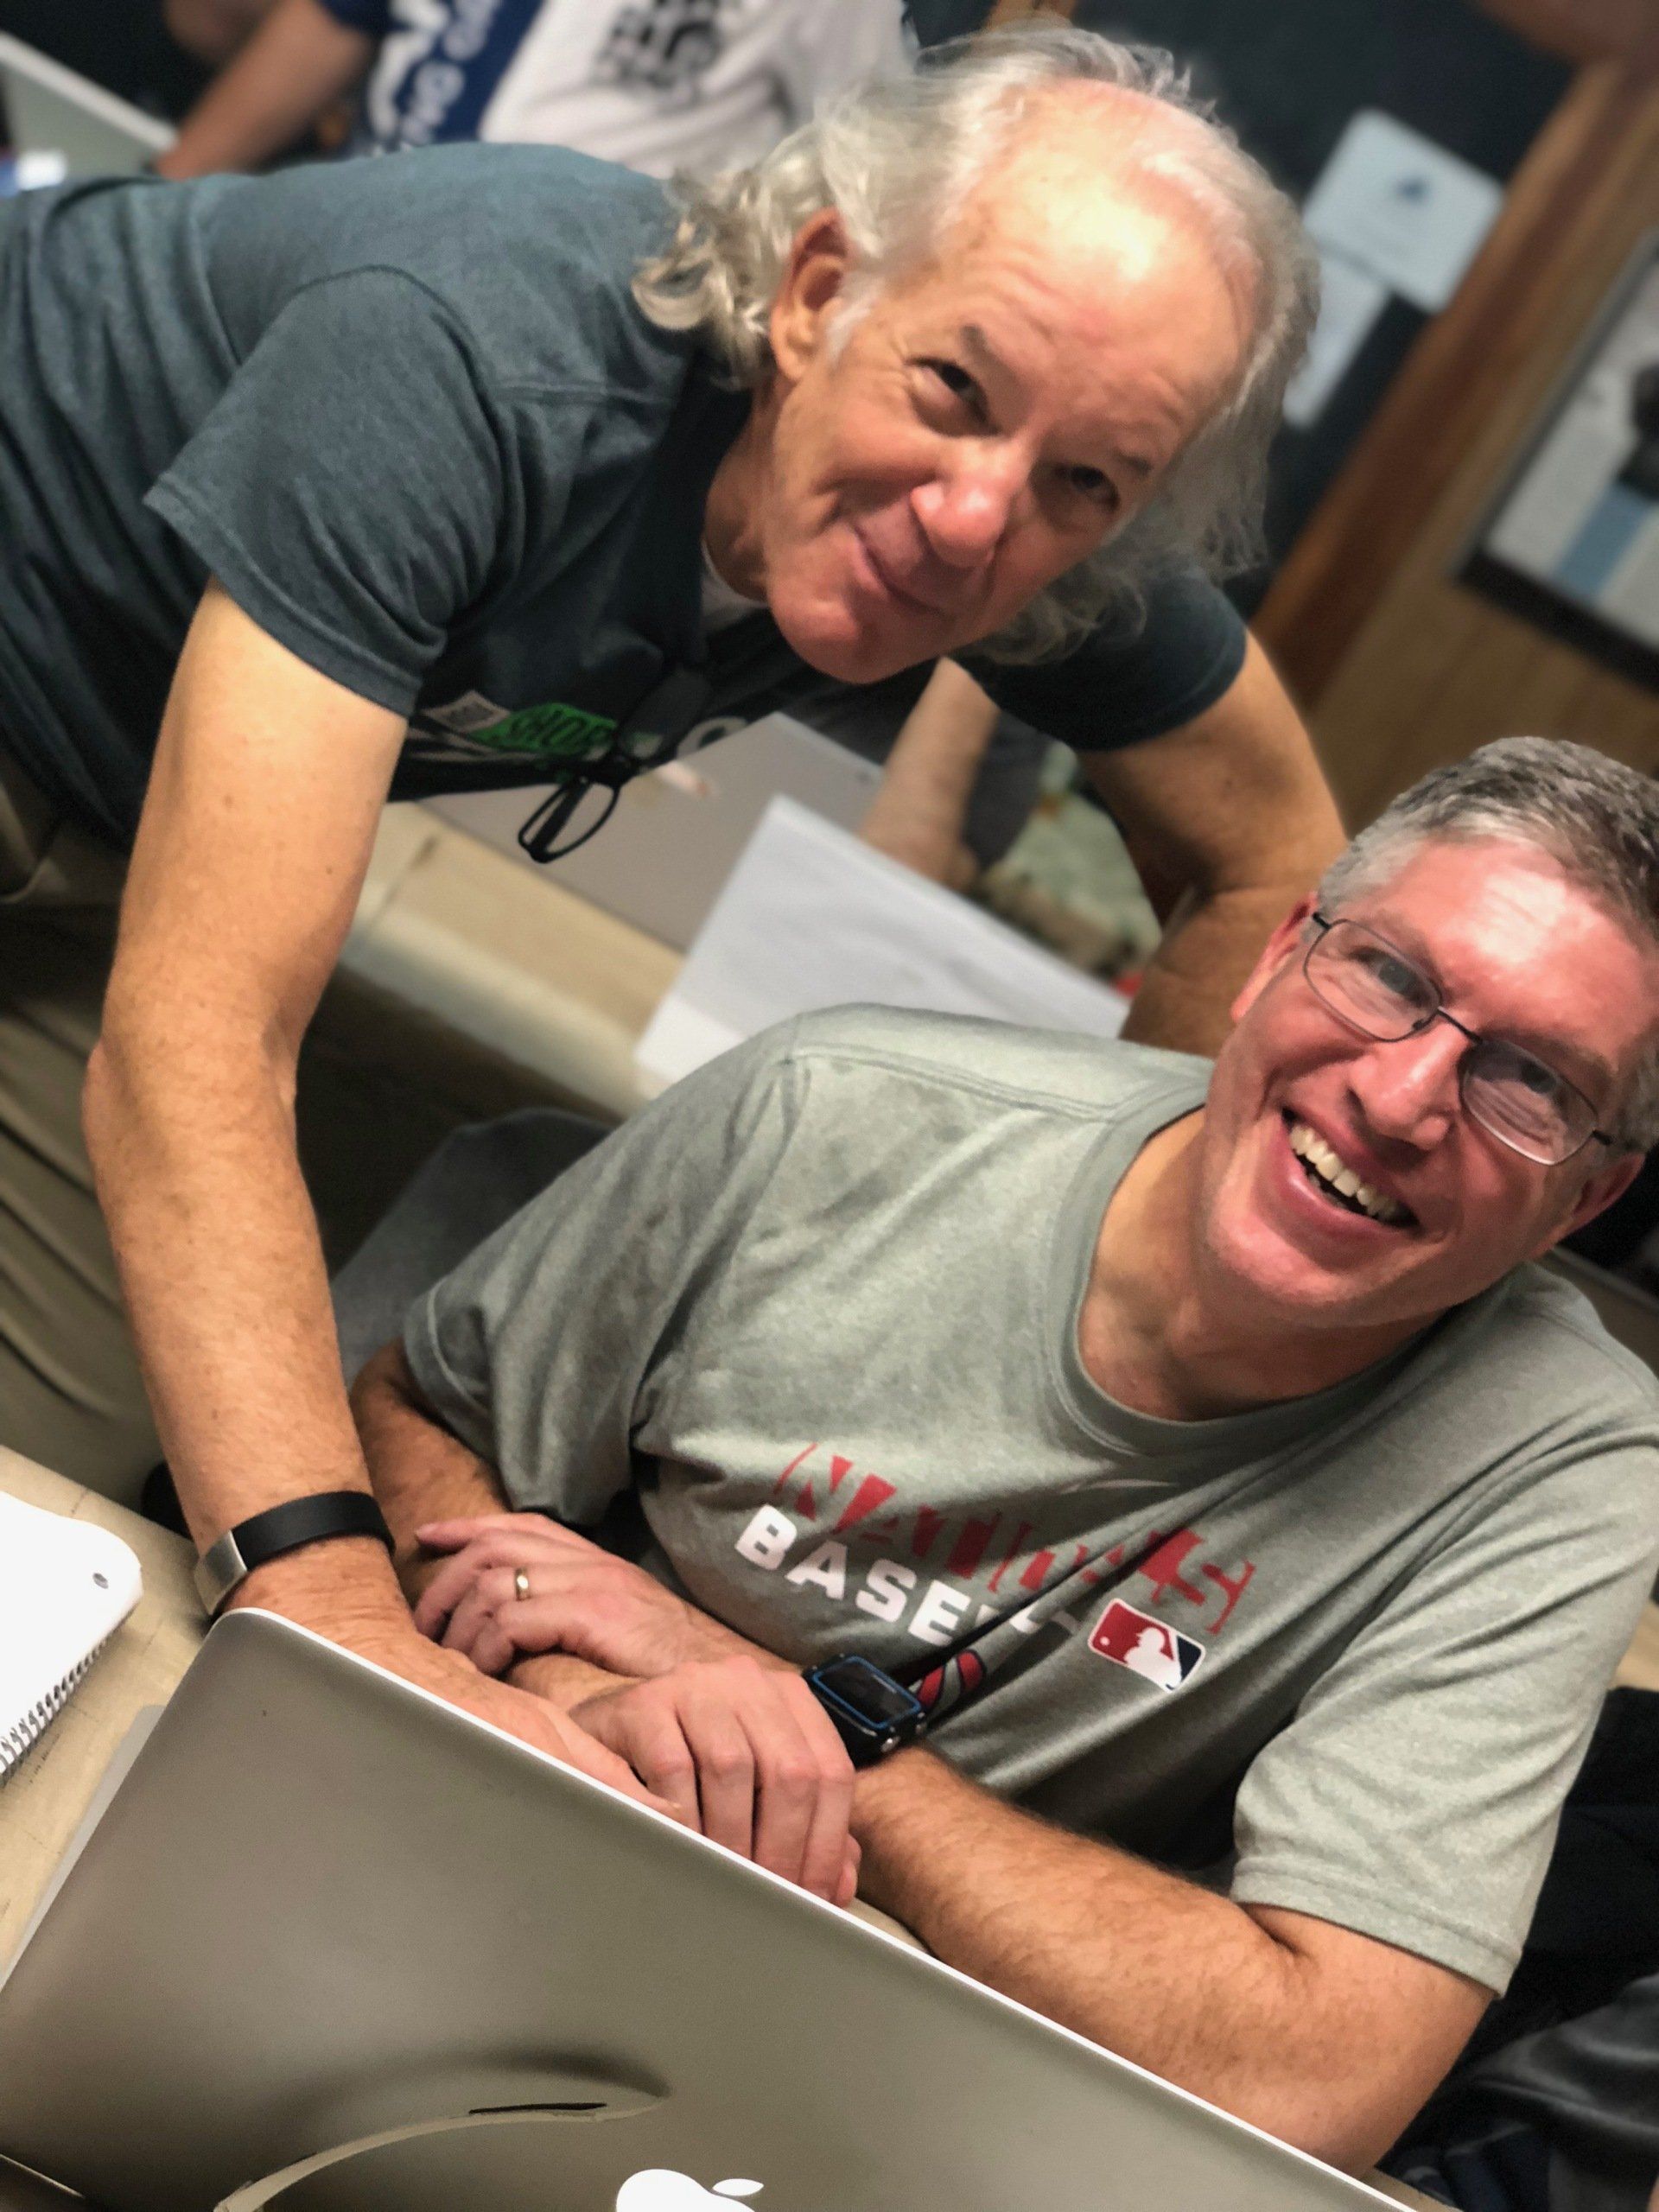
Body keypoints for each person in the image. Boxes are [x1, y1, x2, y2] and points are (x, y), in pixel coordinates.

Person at [0, 24, 1338, 1754]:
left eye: (1087, 481)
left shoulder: (1022, 510)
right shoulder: (476, 344)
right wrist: (326, 1599)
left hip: (103, 827)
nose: (974, 518)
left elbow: (1277, 863)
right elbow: (202, 1045)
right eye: (954, 388)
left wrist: (1078, 1320)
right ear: (817, 292)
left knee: (66, 1494)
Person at [351, 737, 1659, 2171]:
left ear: (1586, 1199)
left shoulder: (1567, 1466)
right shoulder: (832, 1109)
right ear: (1279, 955)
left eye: (1530, 1080)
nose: (1402, 1099)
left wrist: (789, 1718)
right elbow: (418, 1416)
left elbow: (1311, 2080)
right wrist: (591, 1680)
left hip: (942, 2087)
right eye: (1391, 978)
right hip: (518, 1840)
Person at [155, 0, 912, 181]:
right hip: (334, 220)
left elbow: (866, 172)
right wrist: (160, 190)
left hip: (548, 353)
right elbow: (341, 15)